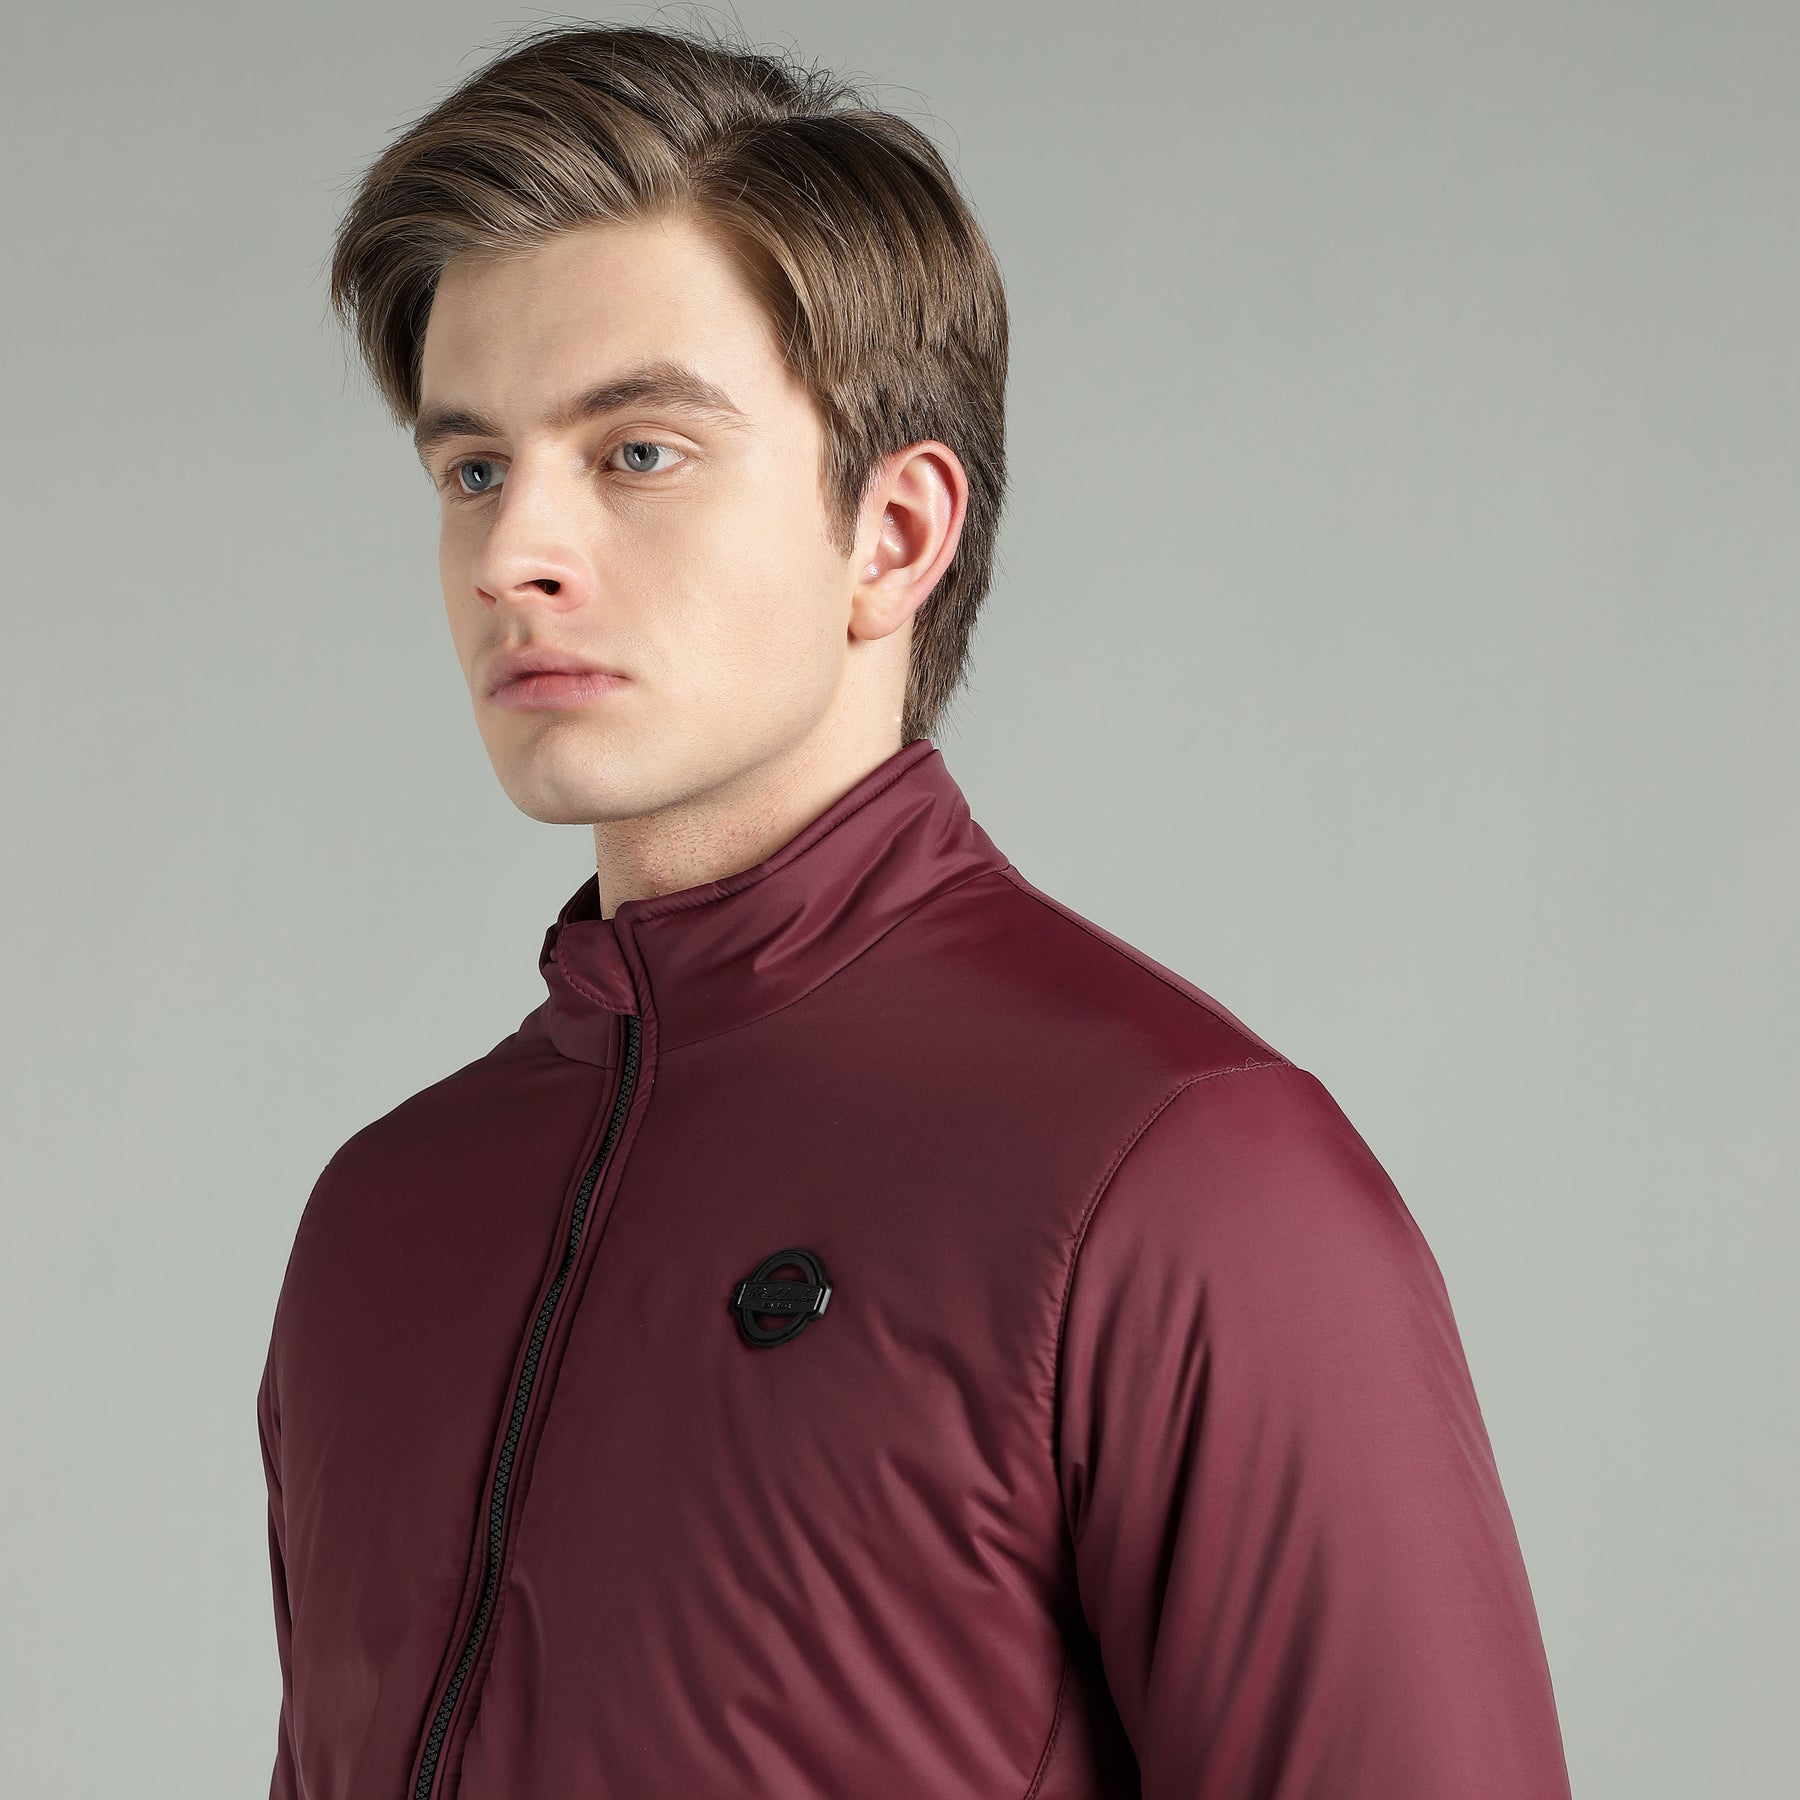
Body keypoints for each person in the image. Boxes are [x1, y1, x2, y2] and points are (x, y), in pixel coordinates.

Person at [256, 21, 1573, 1799]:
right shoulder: (382, 1223)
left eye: (637, 453)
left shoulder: (1185, 1179)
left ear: (893, 533)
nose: (512, 557)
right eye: (474, 469)